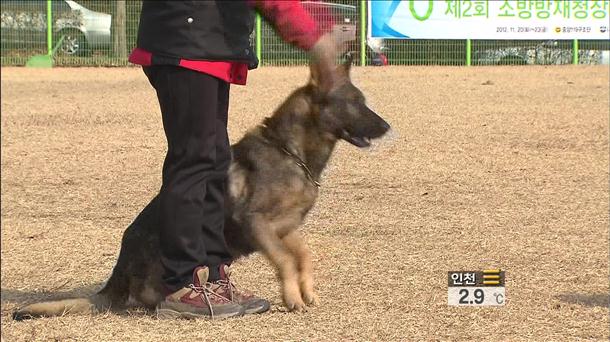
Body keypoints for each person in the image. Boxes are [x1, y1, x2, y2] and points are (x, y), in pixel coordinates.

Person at [127, 1, 338, 319]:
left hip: (202, 44)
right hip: (186, 42)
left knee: (214, 162)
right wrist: (311, 35)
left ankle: (212, 276)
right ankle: (181, 283)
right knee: (193, 162)